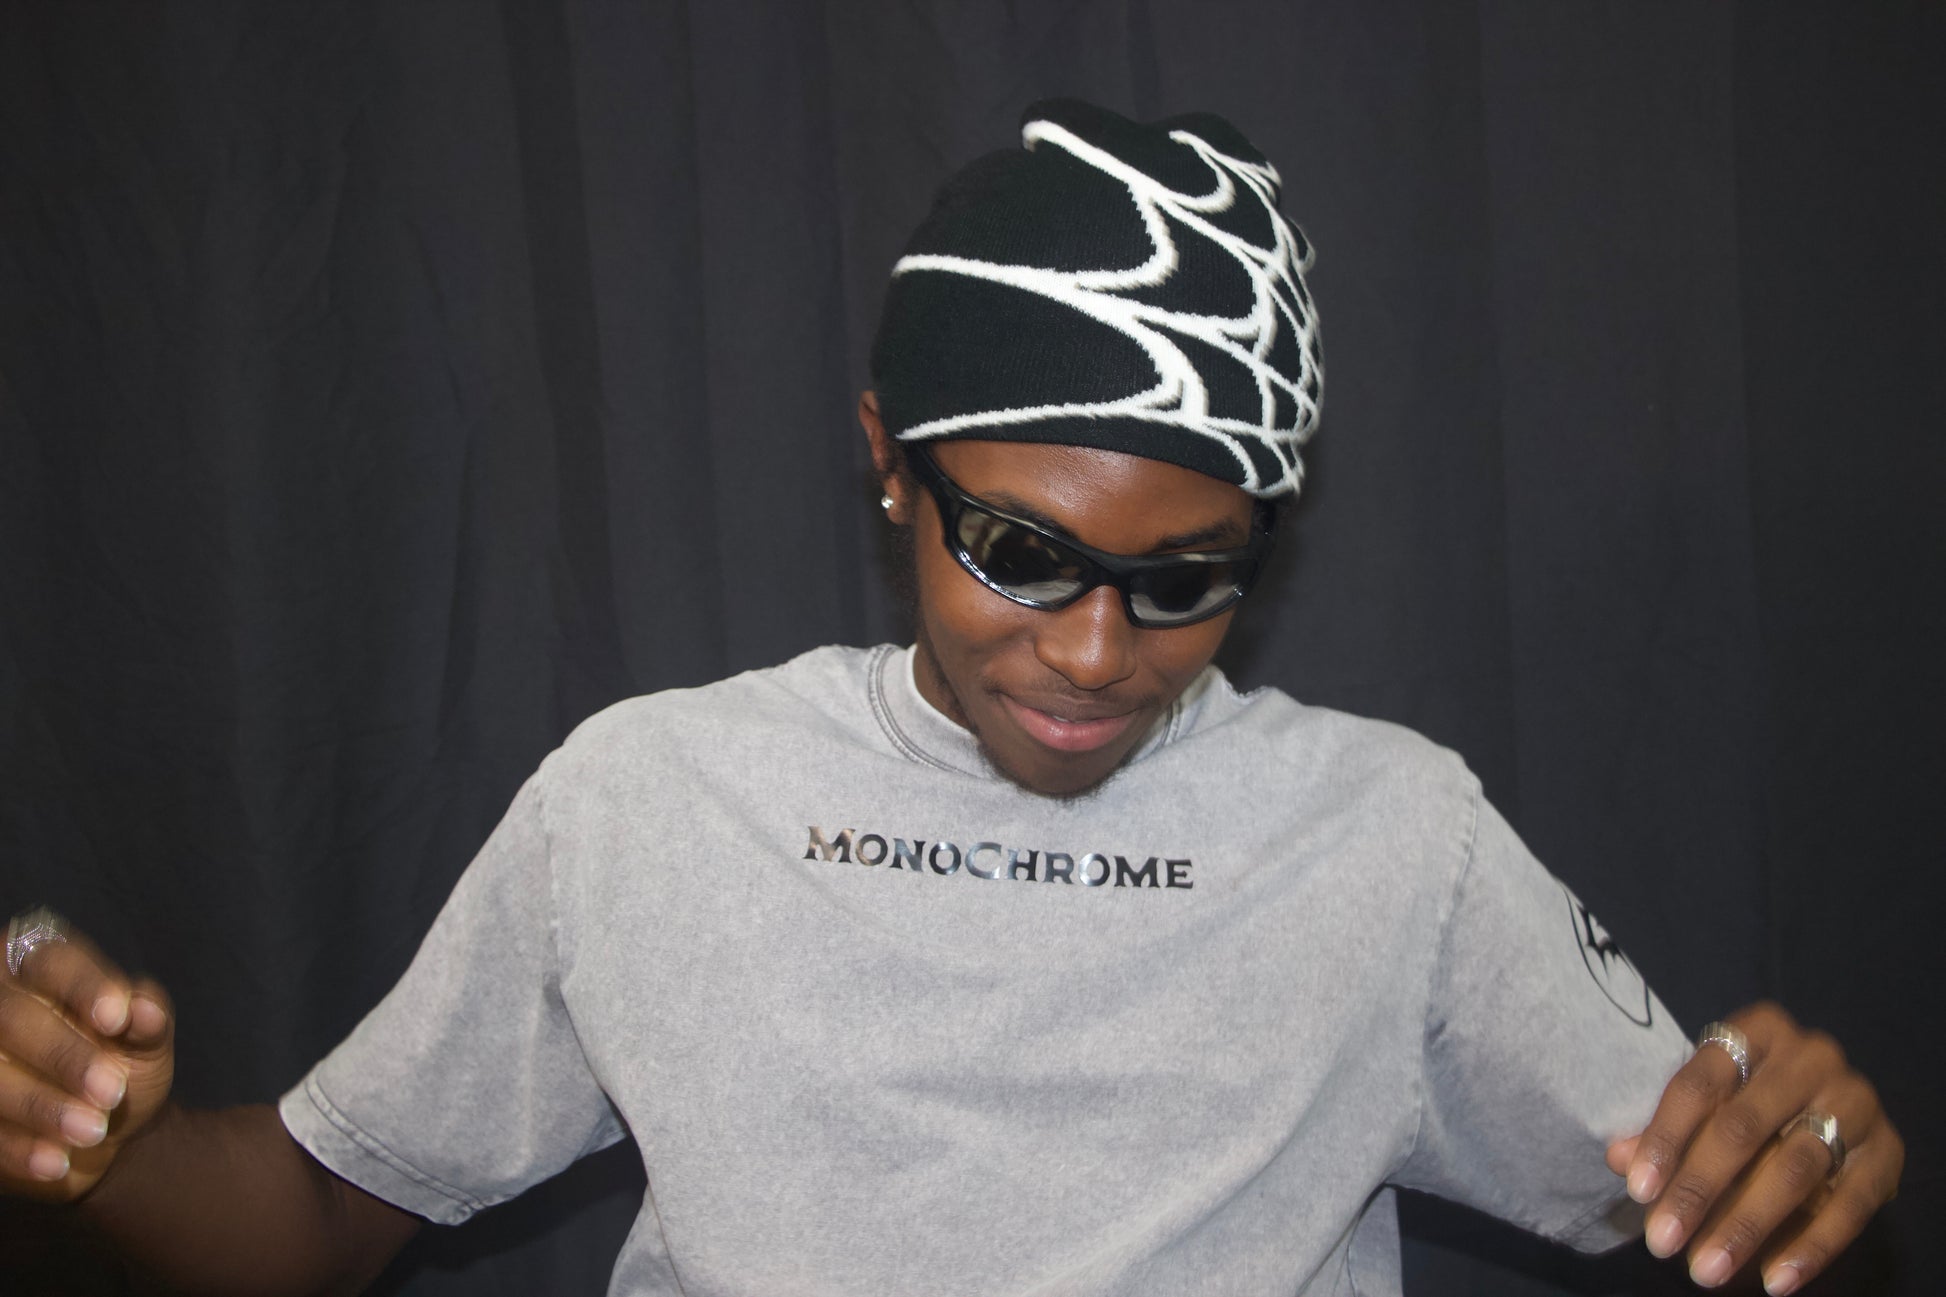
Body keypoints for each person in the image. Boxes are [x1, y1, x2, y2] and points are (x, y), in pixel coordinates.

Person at [0, 100, 1902, 1297]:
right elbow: (318, 1216)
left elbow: (1730, 1198)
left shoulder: (1393, 839)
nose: (1092, 651)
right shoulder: (649, 799)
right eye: (1019, 550)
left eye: (1186, 579)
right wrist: (105, 1147)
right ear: (889, 470)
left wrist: (1807, 1175)